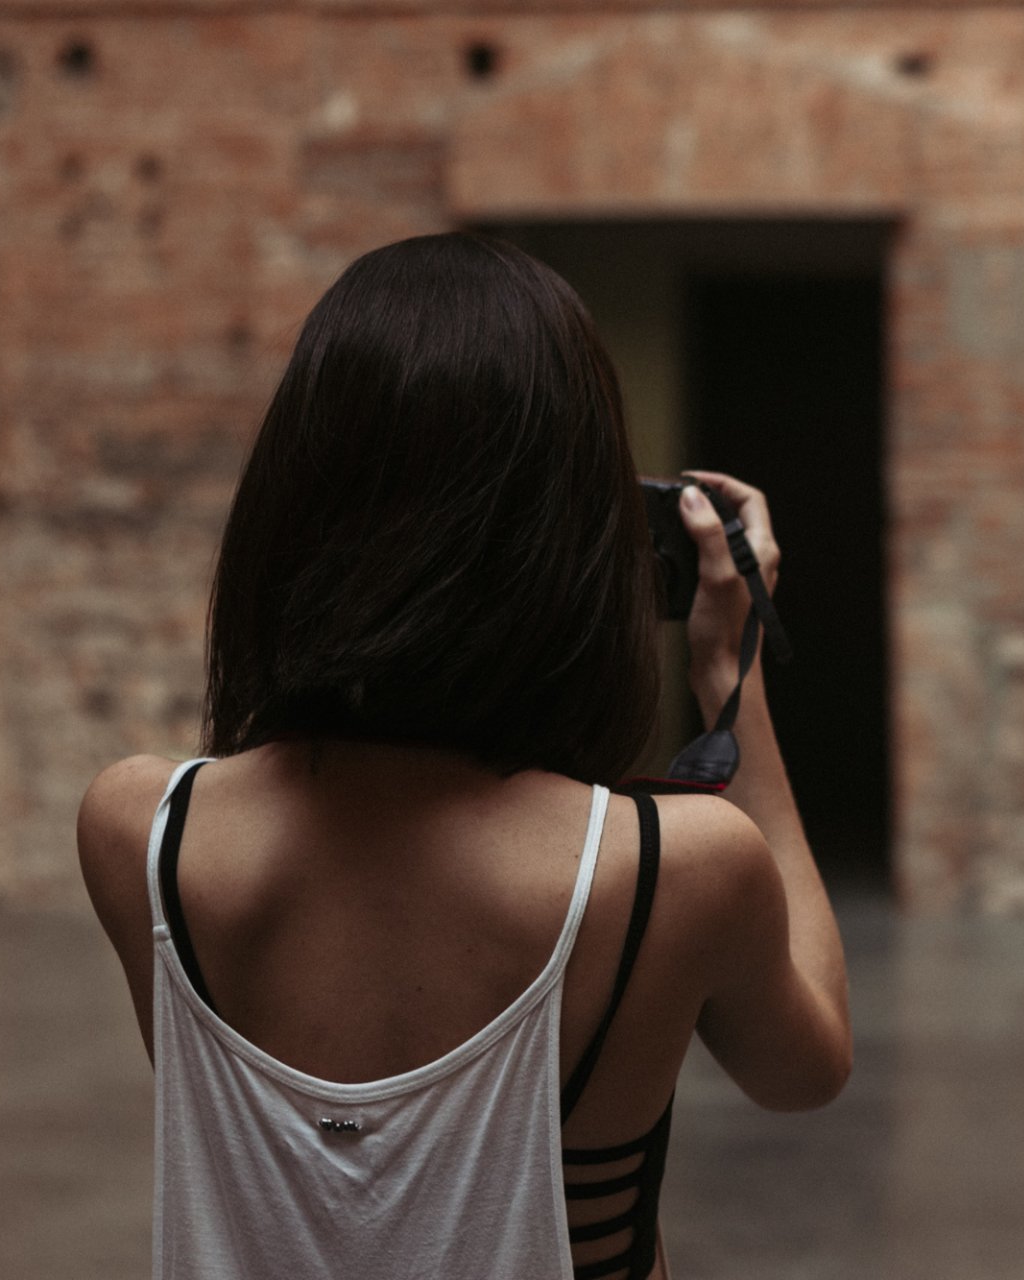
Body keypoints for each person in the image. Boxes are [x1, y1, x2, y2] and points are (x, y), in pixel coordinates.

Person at [75, 231, 852, 1280]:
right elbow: (806, 1067)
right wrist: (731, 671)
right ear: (568, 534)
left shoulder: (140, 832)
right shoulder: (670, 869)